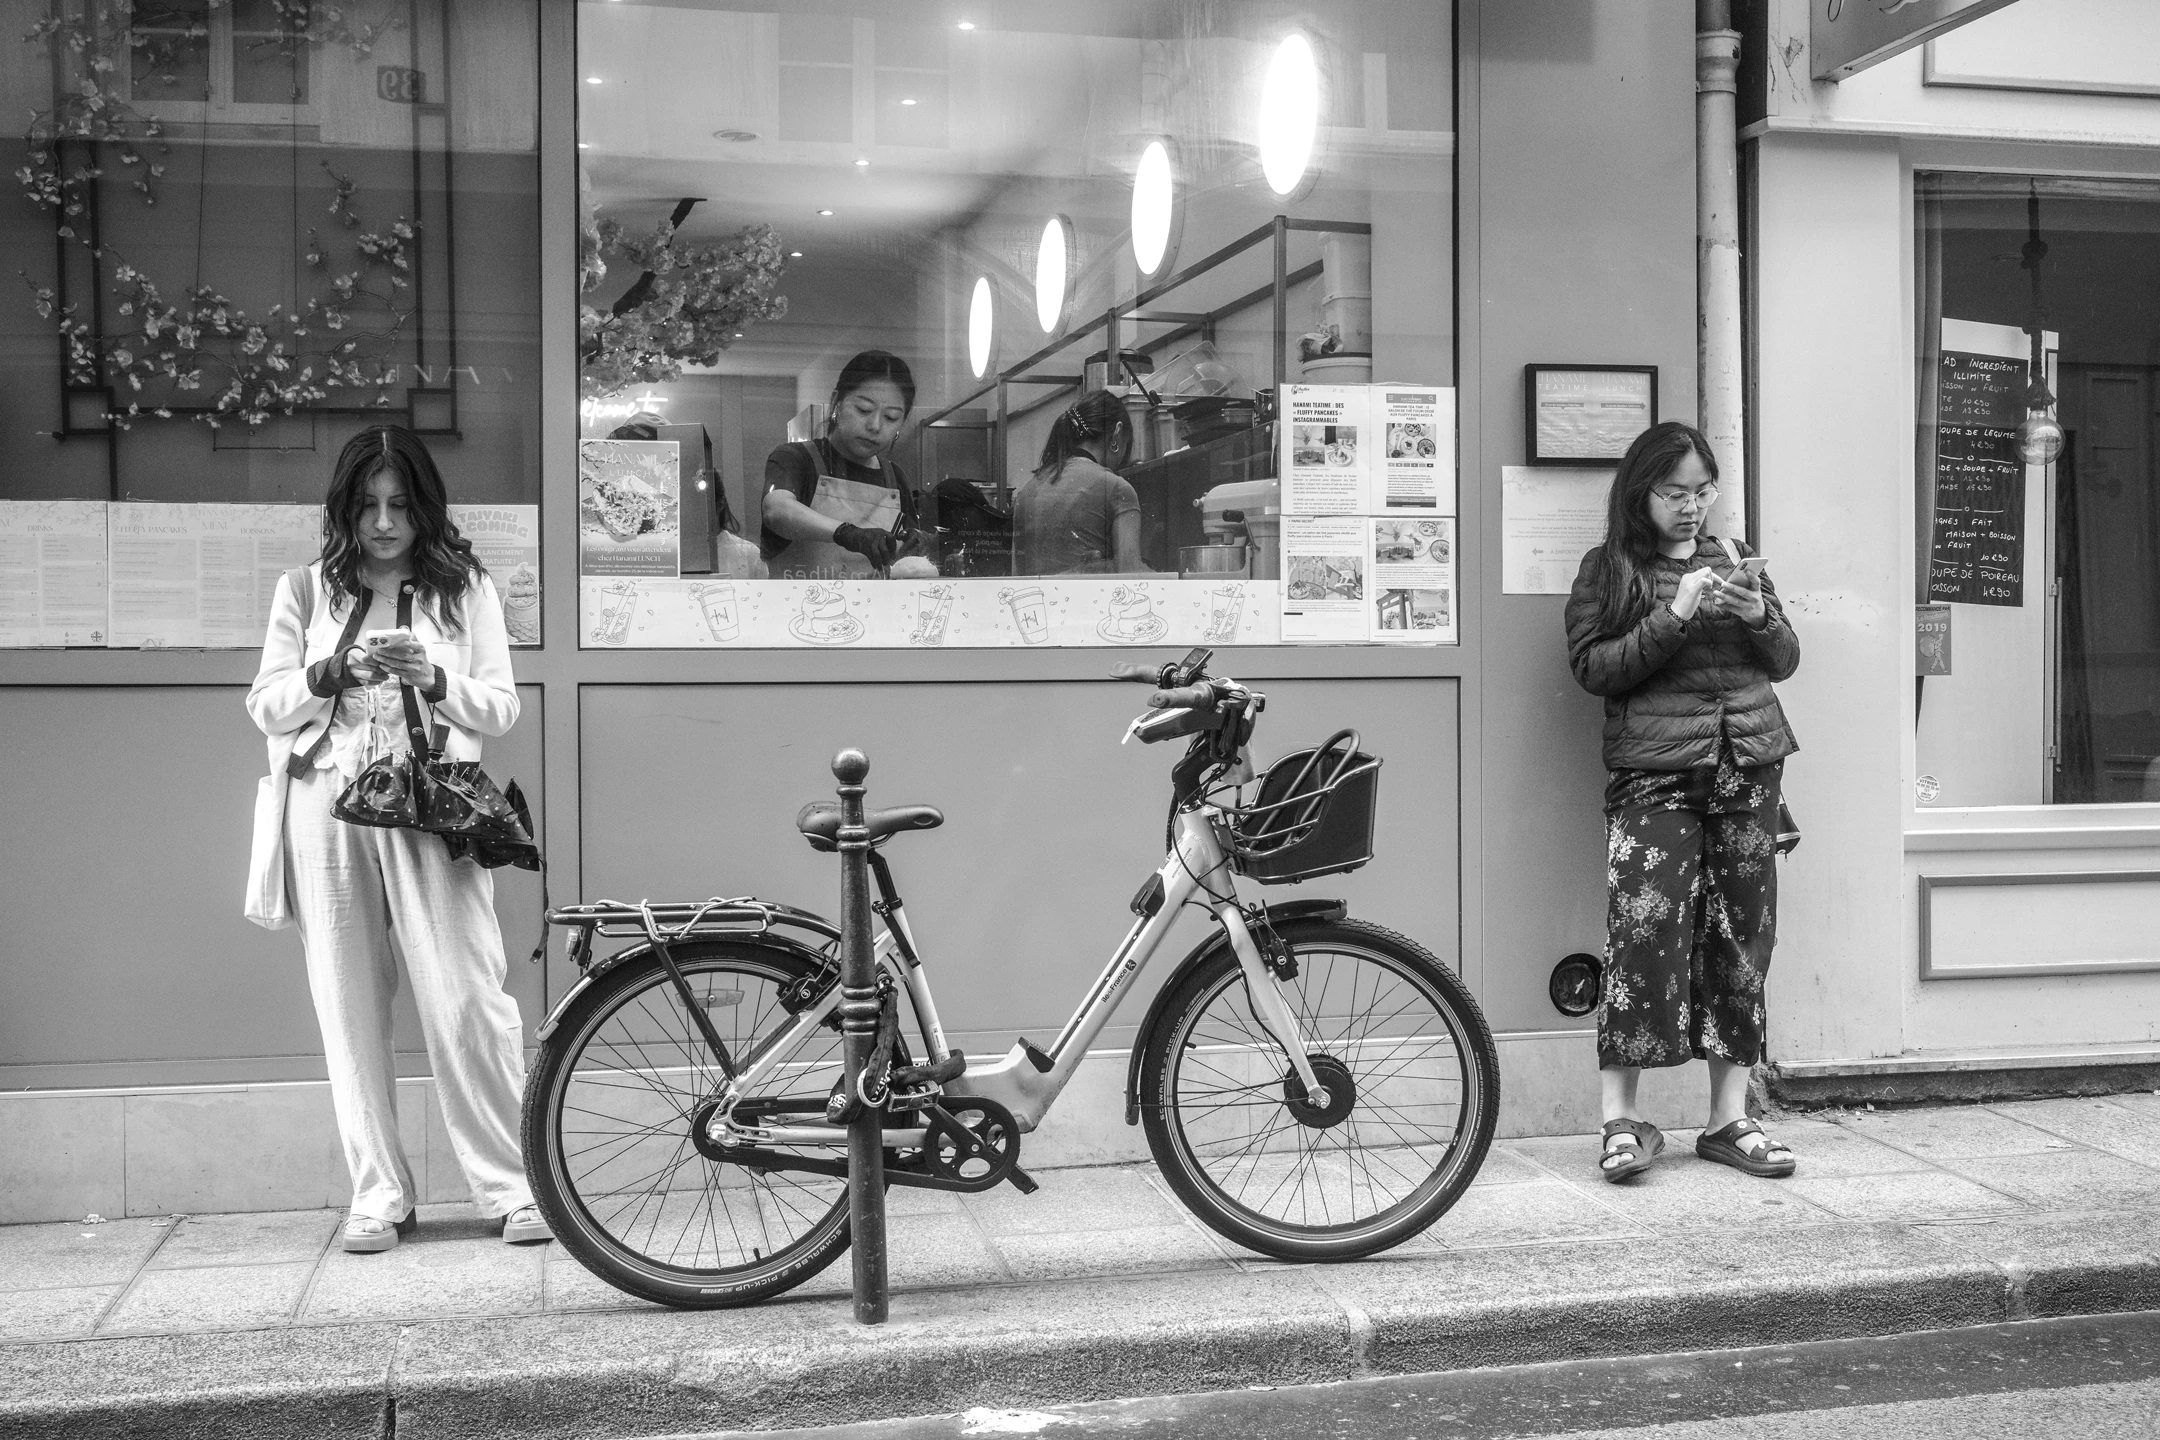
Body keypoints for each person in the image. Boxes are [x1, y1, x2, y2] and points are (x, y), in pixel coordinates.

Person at [246, 425, 549, 1253]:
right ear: (345, 509)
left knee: (468, 1002)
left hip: (430, 806)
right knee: (348, 1005)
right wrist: (328, 674)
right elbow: (265, 706)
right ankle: (378, 1193)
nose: (384, 523)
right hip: (326, 806)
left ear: (424, 506)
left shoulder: (465, 590)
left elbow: (502, 708)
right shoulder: (307, 591)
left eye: (400, 504)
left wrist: (432, 677)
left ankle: (511, 1187)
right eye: (368, 505)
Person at [1562, 421, 1802, 1184]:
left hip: (1748, 769)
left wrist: (1757, 613)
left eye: (1703, 491)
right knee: (1643, 935)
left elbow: (1787, 657)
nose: (1692, 507)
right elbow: (1594, 669)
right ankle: (1621, 1121)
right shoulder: (1609, 569)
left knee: (1743, 940)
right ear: (1643, 493)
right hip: (1656, 778)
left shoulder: (1733, 559)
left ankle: (1730, 1117)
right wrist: (1676, 616)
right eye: (1675, 493)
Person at [760, 349, 925, 578]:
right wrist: (847, 533)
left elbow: (907, 553)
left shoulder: (894, 477)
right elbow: (776, 510)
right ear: (837, 402)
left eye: (891, 418)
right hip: (798, 610)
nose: (875, 426)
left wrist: (918, 542)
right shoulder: (796, 458)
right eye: (863, 410)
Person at [1012, 388, 1148, 575]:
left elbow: (1016, 576)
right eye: (1126, 444)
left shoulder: (1027, 491)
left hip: (1037, 603)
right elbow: (1131, 575)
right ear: (1117, 433)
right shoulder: (1117, 488)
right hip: (1089, 603)